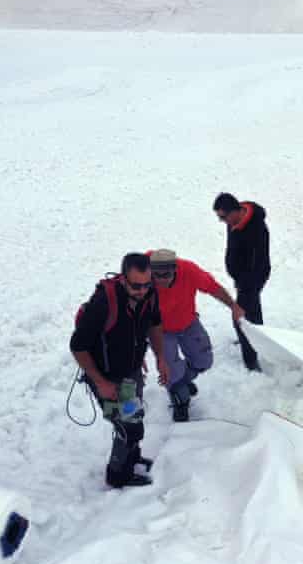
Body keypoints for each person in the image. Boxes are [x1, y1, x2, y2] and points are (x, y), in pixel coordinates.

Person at [70, 252, 170, 488]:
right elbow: (78, 346)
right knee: (129, 426)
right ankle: (117, 475)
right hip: (109, 378)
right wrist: (101, 382)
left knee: (134, 417)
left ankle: (131, 458)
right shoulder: (104, 303)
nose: (142, 291)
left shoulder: (149, 294)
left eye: (147, 285)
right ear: (124, 278)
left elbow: (155, 324)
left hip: (131, 372)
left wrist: (161, 357)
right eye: (136, 286)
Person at [147, 249, 244, 422]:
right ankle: (180, 401)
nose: (161, 280)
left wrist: (233, 305)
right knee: (171, 373)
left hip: (188, 321)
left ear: (175, 270)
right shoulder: (142, 276)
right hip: (160, 330)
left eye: (166, 275)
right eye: (157, 275)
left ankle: (181, 381)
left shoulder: (189, 270)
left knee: (204, 361)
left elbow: (213, 288)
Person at [213, 192, 270, 372]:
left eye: (223, 216)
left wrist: (245, 283)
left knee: (240, 317)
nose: (222, 221)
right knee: (252, 309)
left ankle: (251, 360)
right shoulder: (235, 221)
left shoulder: (257, 229)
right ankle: (259, 337)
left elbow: (258, 261)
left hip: (252, 278)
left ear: (234, 211)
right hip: (242, 278)